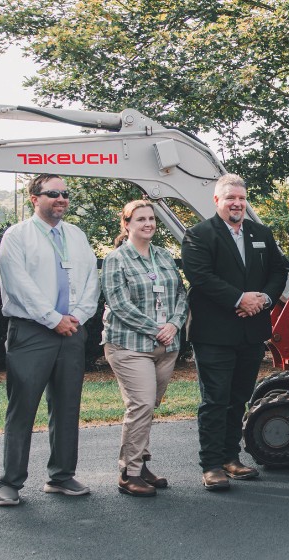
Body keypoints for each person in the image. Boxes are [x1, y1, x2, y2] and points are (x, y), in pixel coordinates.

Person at [0, 175, 100, 506]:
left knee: (67, 406)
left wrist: (77, 318)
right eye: (53, 193)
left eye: (65, 194)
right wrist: (53, 319)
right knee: (22, 407)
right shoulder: (17, 236)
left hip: (71, 331)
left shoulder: (77, 235)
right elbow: (18, 284)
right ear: (34, 198)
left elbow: (90, 280)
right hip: (32, 331)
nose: (61, 198)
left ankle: (62, 476)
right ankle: (10, 482)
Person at [181, 173, 288, 491]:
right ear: (217, 201)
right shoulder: (199, 235)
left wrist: (264, 299)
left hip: (251, 332)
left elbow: (278, 270)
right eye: (230, 198)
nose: (237, 203)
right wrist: (239, 299)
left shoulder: (260, 232)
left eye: (241, 198)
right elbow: (200, 276)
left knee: (239, 398)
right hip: (214, 333)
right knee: (215, 399)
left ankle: (231, 458)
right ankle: (211, 464)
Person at [101, 200, 188, 496]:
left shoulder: (163, 256)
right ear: (126, 224)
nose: (148, 223)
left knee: (148, 407)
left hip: (167, 344)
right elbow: (119, 304)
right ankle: (129, 472)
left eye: (151, 218)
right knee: (141, 405)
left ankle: (142, 463)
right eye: (141, 219)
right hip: (130, 345)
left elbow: (181, 293)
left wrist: (174, 325)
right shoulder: (117, 259)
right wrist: (156, 329)